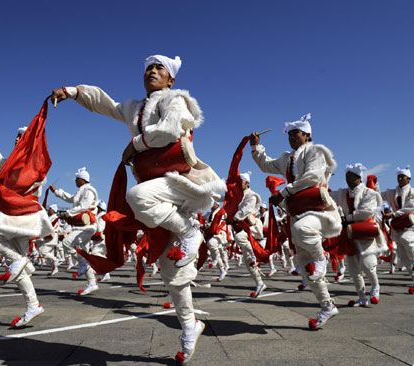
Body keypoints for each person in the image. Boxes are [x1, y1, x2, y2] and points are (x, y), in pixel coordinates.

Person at [50, 54, 226, 364]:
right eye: (148, 68)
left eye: (160, 69)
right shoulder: (135, 108)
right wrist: (74, 91)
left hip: (179, 184)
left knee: (137, 196)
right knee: (173, 275)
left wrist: (137, 145)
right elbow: (105, 104)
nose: (152, 72)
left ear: (171, 79)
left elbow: (171, 130)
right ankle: (190, 325)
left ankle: (189, 229)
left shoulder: (176, 100)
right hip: (161, 192)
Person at [250, 113, 342, 328]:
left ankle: (322, 258)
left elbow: (311, 177)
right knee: (305, 267)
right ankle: (327, 305)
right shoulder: (286, 158)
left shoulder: (315, 152)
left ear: (307, 135)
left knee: (304, 233)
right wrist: (256, 148)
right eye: (289, 135)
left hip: (319, 211)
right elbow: (266, 165)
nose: (291, 138)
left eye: (296, 134)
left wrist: (284, 192)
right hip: (297, 212)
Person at [0, 124, 53, 325]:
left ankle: (20, 260)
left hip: (24, 214)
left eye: (22, 138)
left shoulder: (35, 162)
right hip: (17, 215)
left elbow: (21, 182)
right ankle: (33, 305)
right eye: (16, 137)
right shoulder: (15, 161)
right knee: (18, 267)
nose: (17, 140)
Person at [329, 164, 384, 306]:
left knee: (368, 265)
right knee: (353, 269)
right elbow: (328, 196)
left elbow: (367, 212)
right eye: (346, 176)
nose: (347, 179)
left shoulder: (369, 193)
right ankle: (361, 297)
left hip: (365, 233)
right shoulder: (342, 193)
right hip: (350, 234)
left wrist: (347, 218)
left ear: (359, 178)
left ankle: (375, 285)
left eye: (350, 176)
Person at [50, 167, 100, 295]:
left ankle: (84, 264)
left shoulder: (89, 191)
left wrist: (67, 214)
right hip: (81, 226)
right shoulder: (81, 190)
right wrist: (57, 192)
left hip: (88, 226)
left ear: (83, 180)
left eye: (77, 179)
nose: (75, 181)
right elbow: (71, 199)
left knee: (66, 243)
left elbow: (84, 206)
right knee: (81, 252)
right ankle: (92, 283)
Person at [377, 166, 414, 293]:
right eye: (398, 176)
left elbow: (410, 207)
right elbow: (378, 195)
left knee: (406, 239)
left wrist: (393, 214)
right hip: (398, 225)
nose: (400, 178)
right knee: (403, 257)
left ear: (409, 178)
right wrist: (374, 184)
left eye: (402, 176)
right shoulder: (392, 192)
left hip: (411, 223)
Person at [232, 172, 267, 296]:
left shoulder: (251, 195)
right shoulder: (238, 196)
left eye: (240, 181)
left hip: (251, 226)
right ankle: (260, 283)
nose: (238, 184)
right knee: (248, 263)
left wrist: (235, 217)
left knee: (239, 237)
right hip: (242, 226)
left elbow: (246, 209)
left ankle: (254, 255)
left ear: (247, 183)